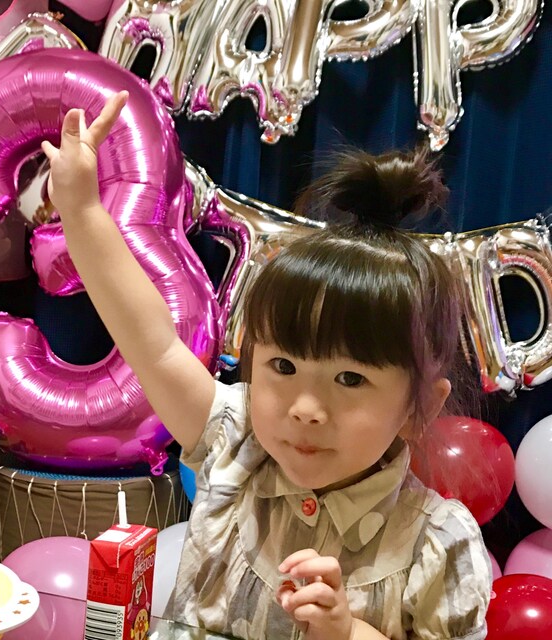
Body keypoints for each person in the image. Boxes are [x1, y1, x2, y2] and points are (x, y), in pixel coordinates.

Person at [42, 92, 492, 640]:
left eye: (350, 378)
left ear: (419, 407)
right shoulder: (235, 440)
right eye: (283, 365)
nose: (305, 408)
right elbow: (152, 343)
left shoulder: (436, 542)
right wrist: (82, 210)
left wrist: (347, 632)